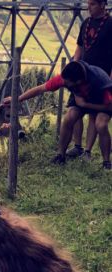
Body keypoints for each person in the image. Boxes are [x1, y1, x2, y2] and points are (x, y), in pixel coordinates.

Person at [5, 60, 112, 170]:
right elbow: (40, 89)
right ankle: (61, 155)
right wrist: (17, 99)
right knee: (69, 117)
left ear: (79, 81)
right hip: (80, 97)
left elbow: (109, 107)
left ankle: (106, 162)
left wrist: (85, 104)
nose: (64, 83)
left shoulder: (101, 83)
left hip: (102, 103)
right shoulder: (67, 78)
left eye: (67, 82)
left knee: (101, 125)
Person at [67, 0, 112, 160]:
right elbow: (79, 46)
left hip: (101, 78)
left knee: (94, 114)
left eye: (92, 4)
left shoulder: (110, 24)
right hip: (81, 75)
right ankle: (77, 146)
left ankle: (87, 151)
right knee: (75, 108)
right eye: (88, 3)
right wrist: (75, 64)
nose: (88, 7)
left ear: (102, 5)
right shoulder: (86, 23)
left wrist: (110, 80)